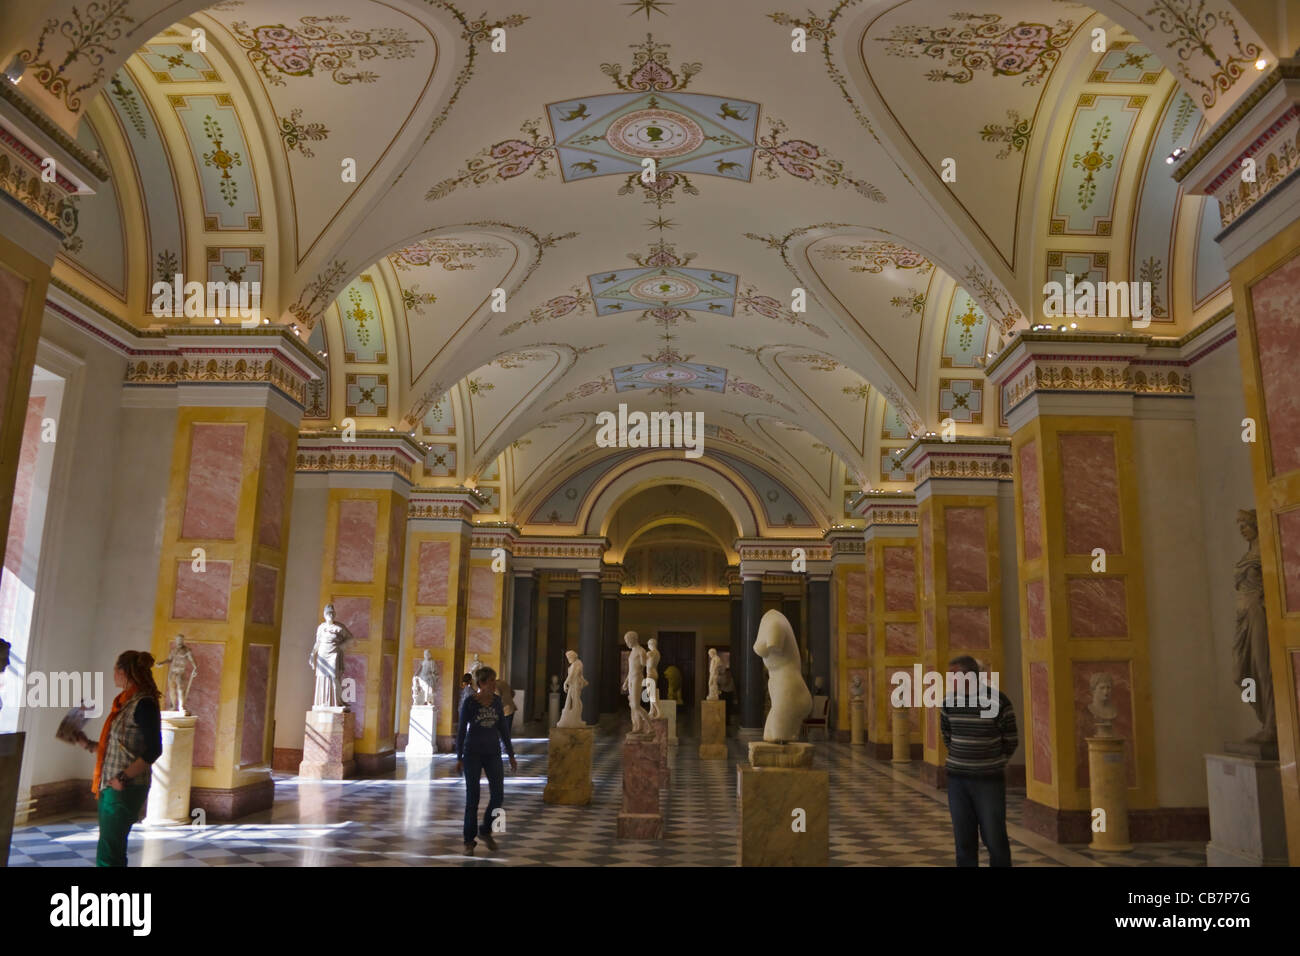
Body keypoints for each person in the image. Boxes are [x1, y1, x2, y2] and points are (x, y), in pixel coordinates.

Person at [70, 650, 164, 867]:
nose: (113, 674)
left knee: (110, 851)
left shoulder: (143, 703)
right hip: (113, 783)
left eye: (115, 669)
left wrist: (121, 778)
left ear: (123, 672)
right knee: (110, 846)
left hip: (125, 785)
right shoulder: (124, 702)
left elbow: (154, 750)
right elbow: (120, 746)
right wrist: (88, 744)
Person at [940, 655, 1017, 867]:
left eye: (953, 675)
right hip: (957, 779)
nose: (950, 680)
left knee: (994, 837)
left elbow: (1010, 739)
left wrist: (993, 761)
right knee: (963, 839)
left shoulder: (999, 701)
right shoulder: (949, 702)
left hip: (988, 780)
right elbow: (947, 734)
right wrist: (962, 757)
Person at [455, 666, 516, 856]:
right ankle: (468, 840)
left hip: (493, 754)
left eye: (494, 680)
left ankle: (485, 830)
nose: (493, 684)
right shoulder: (470, 703)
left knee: (498, 795)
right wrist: (459, 757)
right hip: (472, 753)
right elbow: (461, 731)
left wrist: (511, 754)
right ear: (481, 683)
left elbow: (503, 730)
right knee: (472, 799)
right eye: (491, 681)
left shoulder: (497, 702)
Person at [497, 675, 515, 739]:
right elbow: (513, 693)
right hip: (511, 708)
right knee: (507, 731)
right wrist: (509, 700)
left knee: (502, 733)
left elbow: (497, 698)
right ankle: (507, 747)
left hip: (505, 710)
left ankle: (503, 748)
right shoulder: (503, 682)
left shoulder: (495, 685)